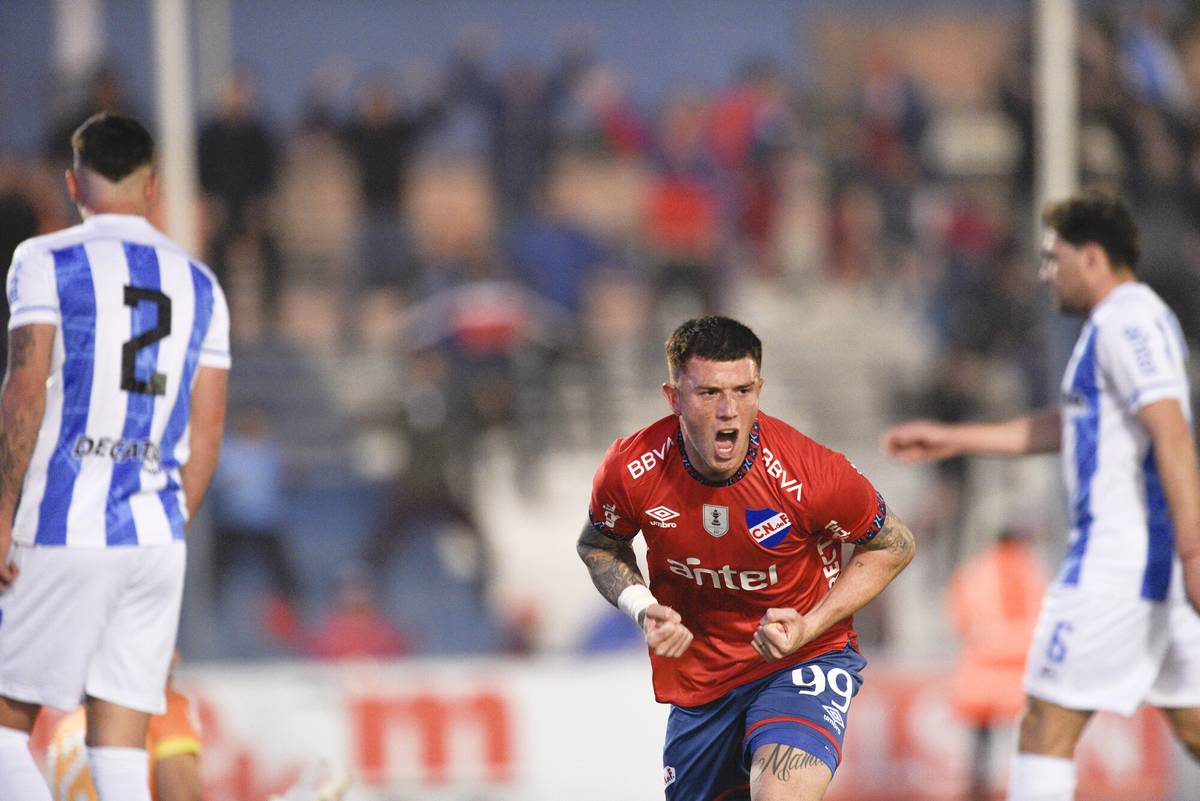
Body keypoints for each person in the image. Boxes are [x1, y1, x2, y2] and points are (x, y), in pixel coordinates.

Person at [883, 190, 1200, 801]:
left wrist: (1192, 552)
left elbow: (1171, 431)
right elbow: (1072, 425)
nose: (1044, 272)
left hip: (1118, 561)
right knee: (1189, 720)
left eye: (1054, 258)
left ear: (1092, 257)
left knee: (1045, 722)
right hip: (1144, 566)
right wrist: (957, 437)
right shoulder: (1112, 326)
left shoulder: (1126, 320)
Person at [577, 316, 916, 801]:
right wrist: (641, 605)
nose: (729, 411)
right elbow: (599, 545)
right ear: (673, 398)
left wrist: (811, 623)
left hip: (800, 660)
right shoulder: (631, 469)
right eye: (709, 393)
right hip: (702, 684)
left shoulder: (812, 474)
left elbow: (894, 543)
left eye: (742, 391)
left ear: (760, 388)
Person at [0, 112, 230, 801]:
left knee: (5, 725)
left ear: (73, 183)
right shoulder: (201, 286)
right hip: (155, 538)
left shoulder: (45, 259)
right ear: (154, 187)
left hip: (63, 522)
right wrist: (163, 522)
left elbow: (25, 391)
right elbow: (209, 436)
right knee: (121, 747)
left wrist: (3, 507)